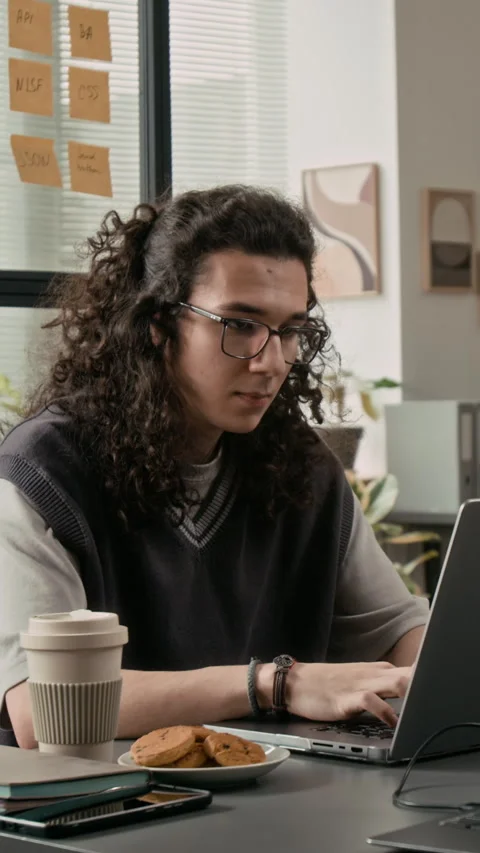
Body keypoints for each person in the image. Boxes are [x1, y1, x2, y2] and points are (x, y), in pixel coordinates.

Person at [0, 185, 428, 750]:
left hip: (285, 804)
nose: (272, 361)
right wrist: (276, 685)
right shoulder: (42, 472)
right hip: (100, 816)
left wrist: (435, 677)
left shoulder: (302, 467)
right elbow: (42, 706)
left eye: (291, 331)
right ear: (158, 324)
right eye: (239, 325)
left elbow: (398, 630)